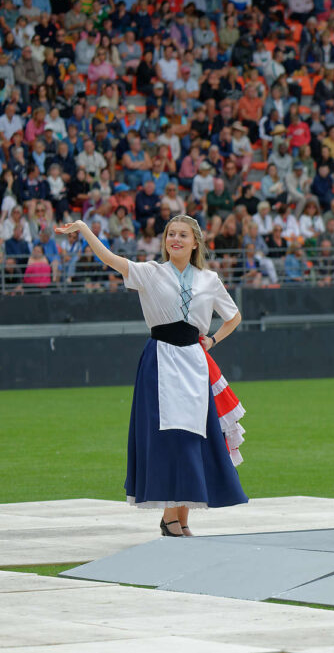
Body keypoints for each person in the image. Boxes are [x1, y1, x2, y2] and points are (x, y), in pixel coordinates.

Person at [53, 215, 246, 537]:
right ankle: (172, 518)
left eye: (183, 235)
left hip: (195, 363)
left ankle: (179, 519)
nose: (176, 239)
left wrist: (211, 340)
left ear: (195, 242)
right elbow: (111, 259)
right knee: (170, 439)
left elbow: (234, 316)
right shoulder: (151, 273)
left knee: (193, 436)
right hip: (160, 361)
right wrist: (85, 230)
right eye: (171, 234)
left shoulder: (209, 279)